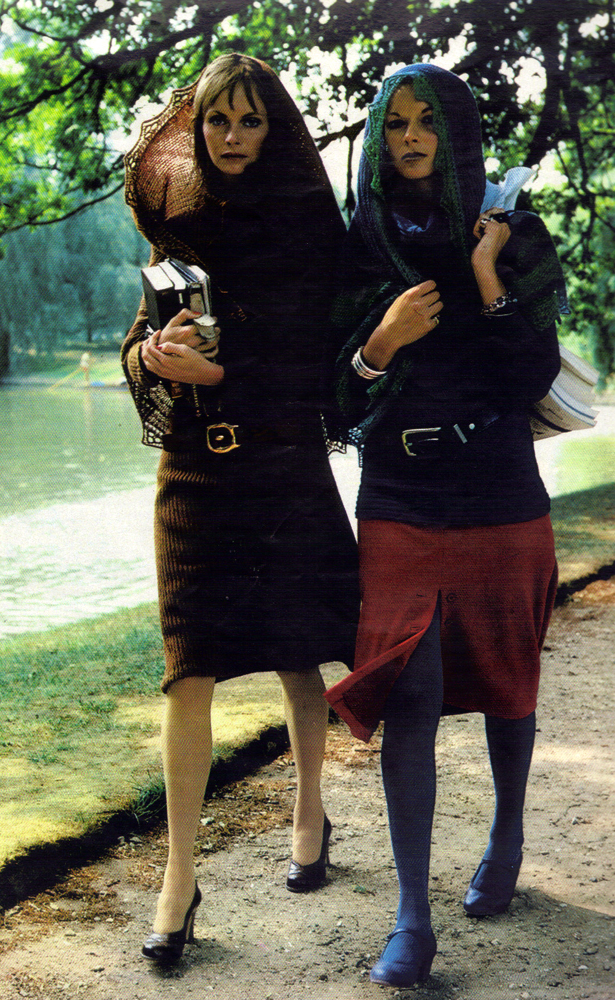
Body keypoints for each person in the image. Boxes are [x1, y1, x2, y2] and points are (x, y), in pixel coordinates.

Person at [323, 63, 567, 988]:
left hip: (499, 493)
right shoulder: (358, 245)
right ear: (377, 139)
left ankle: (505, 838)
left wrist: (484, 275)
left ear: (454, 131)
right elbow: (334, 401)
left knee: (508, 677)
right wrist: (380, 343)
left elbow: (529, 374)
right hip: (399, 498)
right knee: (410, 692)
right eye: (394, 124)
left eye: (426, 121)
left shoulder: (511, 233)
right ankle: (411, 920)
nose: (410, 137)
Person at [120, 53, 359, 965]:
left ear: (273, 129)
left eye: (249, 120)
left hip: (283, 468)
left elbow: (313, 359)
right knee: (188, 672)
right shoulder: (177, 220)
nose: (230, 136)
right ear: (196, 125)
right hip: (191, 475)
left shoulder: (307, 225)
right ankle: (178, 879)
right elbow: (138, 337)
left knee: (299, 656)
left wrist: (222, 371)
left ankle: (310, 814)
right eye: (216, 119)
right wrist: (151, 358)